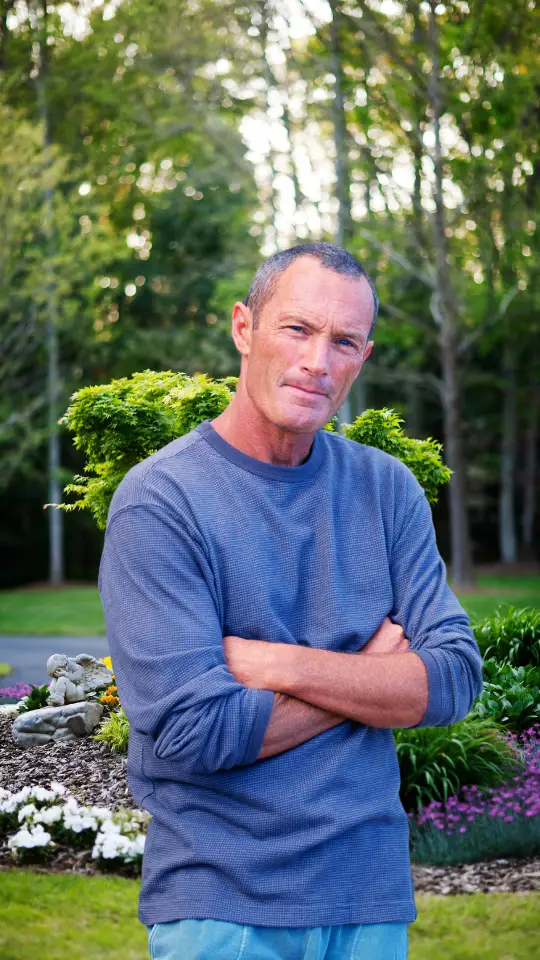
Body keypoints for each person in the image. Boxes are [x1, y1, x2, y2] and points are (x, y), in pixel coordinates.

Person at [99, 242, 484, 960]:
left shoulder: (386, 490)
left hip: (369, 901)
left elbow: (455, 678)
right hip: (222, 908)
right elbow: (193, 733)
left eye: (343, 342)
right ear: (244, 328)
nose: (318, 362)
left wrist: (278, 664)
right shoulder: (161, 502)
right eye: (297, 329)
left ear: (361, 358)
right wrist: (372, 673)